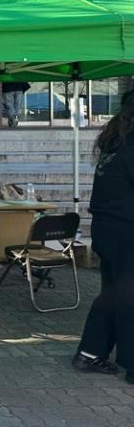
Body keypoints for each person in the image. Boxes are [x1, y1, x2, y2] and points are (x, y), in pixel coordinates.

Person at [73, 90, 134, 385]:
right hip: (126, 229)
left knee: (113, 292)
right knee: (128, 295)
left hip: (106, 227)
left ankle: (90, 352)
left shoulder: (115, 140)